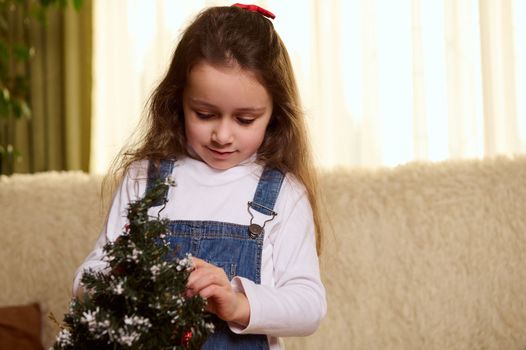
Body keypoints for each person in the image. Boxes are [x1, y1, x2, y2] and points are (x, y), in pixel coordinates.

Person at [73, 4, 326, 349]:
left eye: (245, 119)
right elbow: (86, 281)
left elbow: (309, 305)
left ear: (274, 115)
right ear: (178, 102)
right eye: (205, 114)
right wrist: (133, 285)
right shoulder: (144, 178)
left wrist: (238, 302)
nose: (222, 135)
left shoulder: (283, 192)